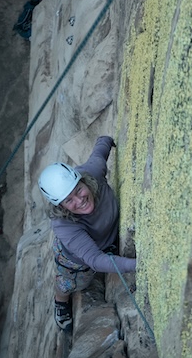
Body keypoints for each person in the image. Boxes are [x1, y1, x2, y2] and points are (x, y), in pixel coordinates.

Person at [37, 136, 135, 331]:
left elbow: (99, 152)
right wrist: (136, 265)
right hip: (74, 259)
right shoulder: (64, 225)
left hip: (103, 240)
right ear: (61, 206)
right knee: (72, 283)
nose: (79, 200)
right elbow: (95, 260)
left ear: (83, 181)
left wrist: (106, 140)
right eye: (69, 200)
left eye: (78, 190)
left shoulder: (93, 173)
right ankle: (60, 301)